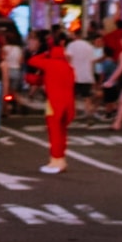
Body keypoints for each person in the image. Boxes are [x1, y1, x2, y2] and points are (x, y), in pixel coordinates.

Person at [29, 28, 76, 174]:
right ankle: (61, 159)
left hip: (54, 103)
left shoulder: (49, 63)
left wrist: (46, 54)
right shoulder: (68, 66)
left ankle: (55, 161)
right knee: (62, 133)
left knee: (54, 133)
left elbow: (32, 61)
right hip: (68, 103)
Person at [65, 30, 101, 123]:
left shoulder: (71, 45)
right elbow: (92, 62)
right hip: (86, 74)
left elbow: (68, 58)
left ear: (75, 35)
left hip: (75, 74)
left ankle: (72, 114)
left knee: (72, 96)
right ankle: (89, 115)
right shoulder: (89, 46)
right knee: (87, 97)